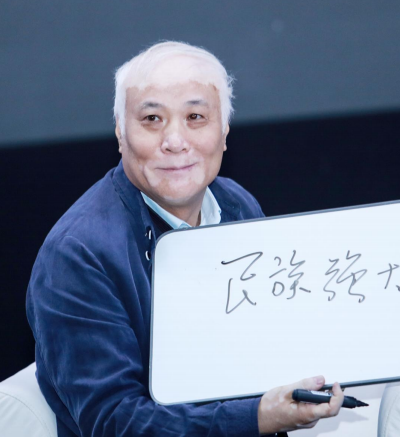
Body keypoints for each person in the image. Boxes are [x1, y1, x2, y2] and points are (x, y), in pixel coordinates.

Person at [26, 41, 343, 437]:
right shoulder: (76, 255)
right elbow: (114, 422)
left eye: (195, 117)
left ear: (224, 132)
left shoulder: (236, 204)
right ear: (121, 133)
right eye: (152, 119)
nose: (175, 140)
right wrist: (259, 417)